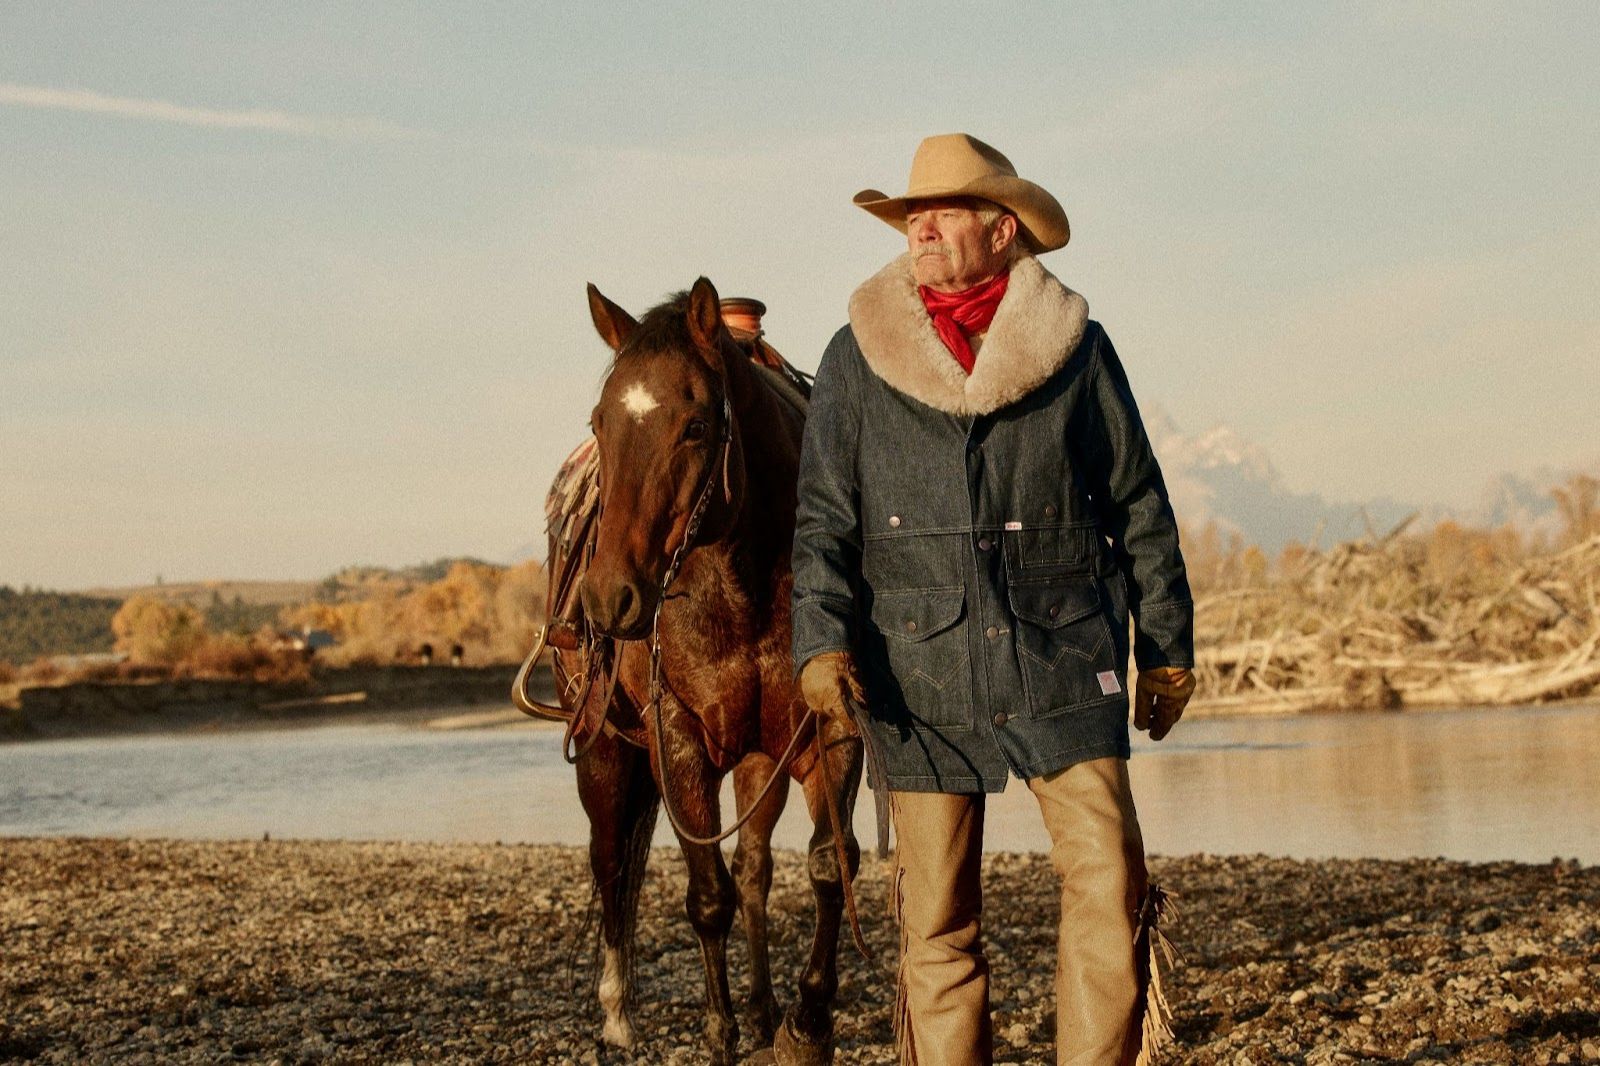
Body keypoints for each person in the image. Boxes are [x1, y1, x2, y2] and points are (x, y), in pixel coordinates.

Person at [790, 133, 1197, 1065]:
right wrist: (820, 642)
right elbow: (822, 523)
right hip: (916, 670)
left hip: (1065, 659)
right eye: (911, 216)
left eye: (941, 213)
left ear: (1002, 229)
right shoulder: (855, 357)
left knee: (1110, 887)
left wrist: (1167, 648)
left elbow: (1138, 504)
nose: (920, 229)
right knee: (936, 920)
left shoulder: (1078, 350)